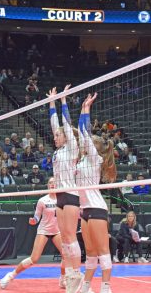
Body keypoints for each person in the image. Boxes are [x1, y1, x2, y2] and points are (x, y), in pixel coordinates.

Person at [76, 93, 117, 293]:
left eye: (90, 142)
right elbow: (82, 133)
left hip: (97, 207)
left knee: (102, 251)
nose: (86, 143)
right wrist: (82, 109)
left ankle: (106, 286)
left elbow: (83, 131)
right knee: (90, 252)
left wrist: (86, 110)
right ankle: (85, 286)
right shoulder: (83, 159)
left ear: (96, 148)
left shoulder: (95, 160)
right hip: (84, 209)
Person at [0, 178, 65, 289]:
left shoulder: (62, 200)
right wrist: (33, 221)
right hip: (44, 230)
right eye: (50, 183)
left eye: (54, 183)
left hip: (57, 231)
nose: (52, 184)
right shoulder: (42, 201)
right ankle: (10, 275)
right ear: (48, 185)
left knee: (66, 255)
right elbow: (36, 217)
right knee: (34, 259)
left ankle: (63, 280)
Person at [48, 85, 82, 292]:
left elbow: (65, 125)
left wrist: (63, 101)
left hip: (70, 194)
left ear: (66, 137)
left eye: (58, 136)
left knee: (70, 237)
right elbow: (54, 125)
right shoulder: (58, 151)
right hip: (60, 196)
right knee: (65, 239)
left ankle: (76, 276)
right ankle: (70, 275)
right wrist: (51, 101)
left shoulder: (71, 148)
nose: (55, 137)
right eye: (55, 136)